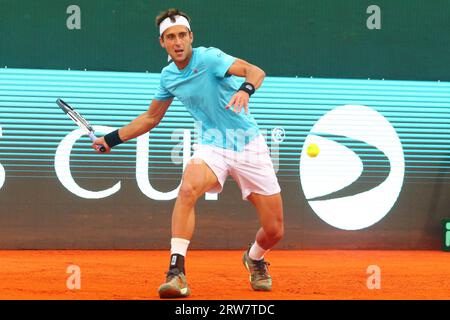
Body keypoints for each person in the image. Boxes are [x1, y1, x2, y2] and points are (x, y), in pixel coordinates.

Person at [92, 8, 284, 299]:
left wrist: (245, 90)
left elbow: (256, 71)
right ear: (163, 43)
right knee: (188, 188)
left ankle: (255, 258)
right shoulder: (168, 77)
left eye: (182, 35)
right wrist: (111, 139)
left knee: (274, 230)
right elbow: (150, 118)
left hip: (248, 144)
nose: (178, 41)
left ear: (191, 37)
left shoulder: (209, 58)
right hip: (212, 146)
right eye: (170, 37)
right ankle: (176, 273)